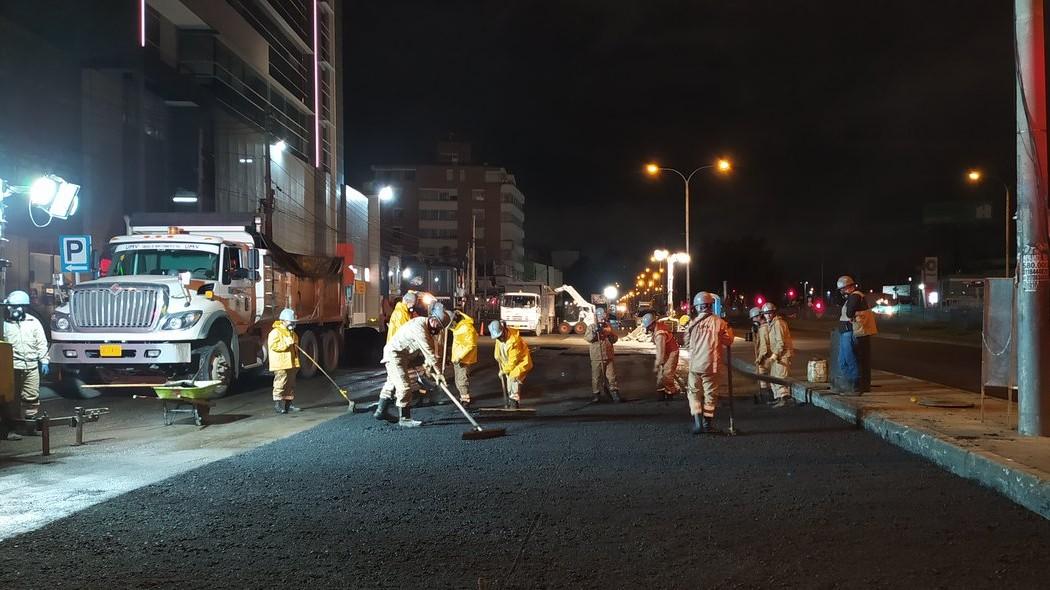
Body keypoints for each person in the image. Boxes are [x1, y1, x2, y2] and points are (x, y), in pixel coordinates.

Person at [374, 314, 445, 426]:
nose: (439, 329)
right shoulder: (419, 328)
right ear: (433, 319)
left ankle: (380, 412)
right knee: (404, 386)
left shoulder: (425, 326)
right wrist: (439, 373)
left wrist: (431, 368)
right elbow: (428, 351)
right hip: (395, 355)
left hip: (401, 355)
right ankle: (405, 419)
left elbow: (430, 352)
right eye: (439, 325)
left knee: (391, 383)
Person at [683, 291, 735, 434]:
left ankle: (698, 423)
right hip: (711, 365)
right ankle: (708, 424)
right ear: (710, 306)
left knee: (694, 393)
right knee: (710, 395)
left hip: (695, 365)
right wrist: (729, 329)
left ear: (698, 307)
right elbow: (728, 341)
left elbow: (686, 342)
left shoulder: (692, 324)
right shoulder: (719, 323)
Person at [3, 290, 49, 420]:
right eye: (13, 306)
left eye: (20, 306)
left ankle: (30, 423)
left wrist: (44, 361)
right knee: (11, 397)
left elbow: (41, 342)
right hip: (12, 367)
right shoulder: (4, 324)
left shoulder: (33, 322)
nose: (17, 309)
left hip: (31, 366)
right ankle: (11, 425)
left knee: (31, 396)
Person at [837, 275, 878, 393]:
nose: (841, 292)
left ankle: (855, 385)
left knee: (850, 359)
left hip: (849, 332)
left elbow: (850, 313)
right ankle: (851, 384)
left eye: (842, 289)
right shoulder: (853, 296)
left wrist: (850, 316)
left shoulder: (855, 296)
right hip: (846, 332)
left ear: (848, 287)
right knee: (843, 360)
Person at [489, 320, 533, 409]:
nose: (499, 339)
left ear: (504, 330)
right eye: (497, 338)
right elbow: (498, 349)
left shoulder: (514, 341)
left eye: (500, 337)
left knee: (513, 378)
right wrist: (497, 357)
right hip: (509, 363)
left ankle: (514, 402)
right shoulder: (500, 336)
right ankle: (511, 399)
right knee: (509, 381)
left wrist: (503, 371)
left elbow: (513, 361)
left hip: (521, 362)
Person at [267, 308, 302, 414]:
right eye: (291, 322)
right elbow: (273, 346)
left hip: (290, 363)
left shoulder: (292, 333)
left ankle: (288, 404)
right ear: (283, 321)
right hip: (280, 363)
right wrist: (286, 343)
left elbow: (295, 348)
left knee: (290, 383)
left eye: (294, 322)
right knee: (280, 382)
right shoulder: (275, 333)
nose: (293, 324)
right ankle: (277, 404)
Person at [585, 306, 622, 403]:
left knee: (611, 376)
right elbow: (588, 338)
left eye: (604, 316)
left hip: (608, 355)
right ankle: (596, 394)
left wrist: (610, 334)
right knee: (596, 376)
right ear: (596, 317)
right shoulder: (592, 327)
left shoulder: (608, 326)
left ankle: (615, 393)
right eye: (600, 316)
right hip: (597, 356)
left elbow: (615, 339)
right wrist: (595, 333)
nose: (602, 318)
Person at [762, 302, 794, 407]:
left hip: (782, 355)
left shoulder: (778, 323)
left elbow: (781, 343)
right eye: (766, 313)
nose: (768, 315)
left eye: (770, 313)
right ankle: (778, 398)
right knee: (774, 377)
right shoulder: (772, 324)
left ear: (774, 313)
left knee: (780, 377)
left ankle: (784, 399)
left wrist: (774, 356)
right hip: (778, 355)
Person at [642, 312, 680, 400]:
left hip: (672, 352)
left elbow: (660, 351)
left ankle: (670, 393)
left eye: (648, 327)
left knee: (667, 374)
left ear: (652, 324)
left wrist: (657, 364)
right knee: (663, 373)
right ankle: (664, 390)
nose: (648, 329)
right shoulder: (658, 326)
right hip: (667, 351)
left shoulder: (660, 334)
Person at [447, 310, 477, 407]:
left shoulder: (467, 328)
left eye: (451, 324)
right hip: (458, 358)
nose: (450, 326)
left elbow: (470, 345)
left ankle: (465, 399)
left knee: (462, 379)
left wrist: (460, 357)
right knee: (458, 379)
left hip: (463, 359)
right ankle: (463, 396)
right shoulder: (459, 327)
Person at [750, 306, 772, 403]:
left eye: (753, 318)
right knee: (764, 376)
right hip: (765, 355)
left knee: (764, 375)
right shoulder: (761, 328)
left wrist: (759, 358)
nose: (753, 320)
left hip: (766, 356)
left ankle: (767, 395)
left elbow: (764, 346)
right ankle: (767, 394)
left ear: (759, 317)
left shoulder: (764, 328)